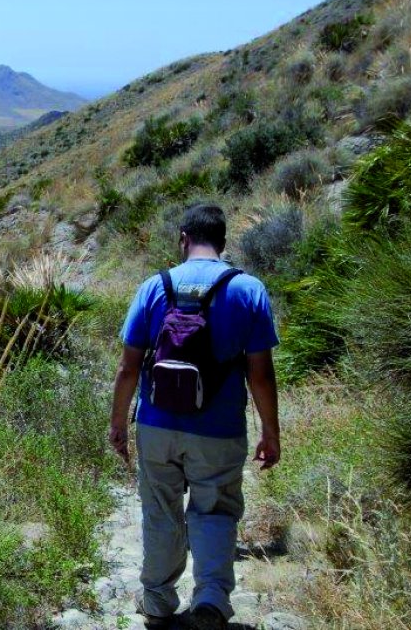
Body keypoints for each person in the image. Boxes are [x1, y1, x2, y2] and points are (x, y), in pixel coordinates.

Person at [108, 203, 280, 630]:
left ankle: (158, 601)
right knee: (215, 510)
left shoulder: (153, 287)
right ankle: (210, 599)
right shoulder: (249, 290)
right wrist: (271, 432)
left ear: (183, 237)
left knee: (161, 509)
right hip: (218, 430)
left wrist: (117, 426)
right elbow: (261, 373)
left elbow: (128, 367)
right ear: (223, 241)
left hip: (156, 426)